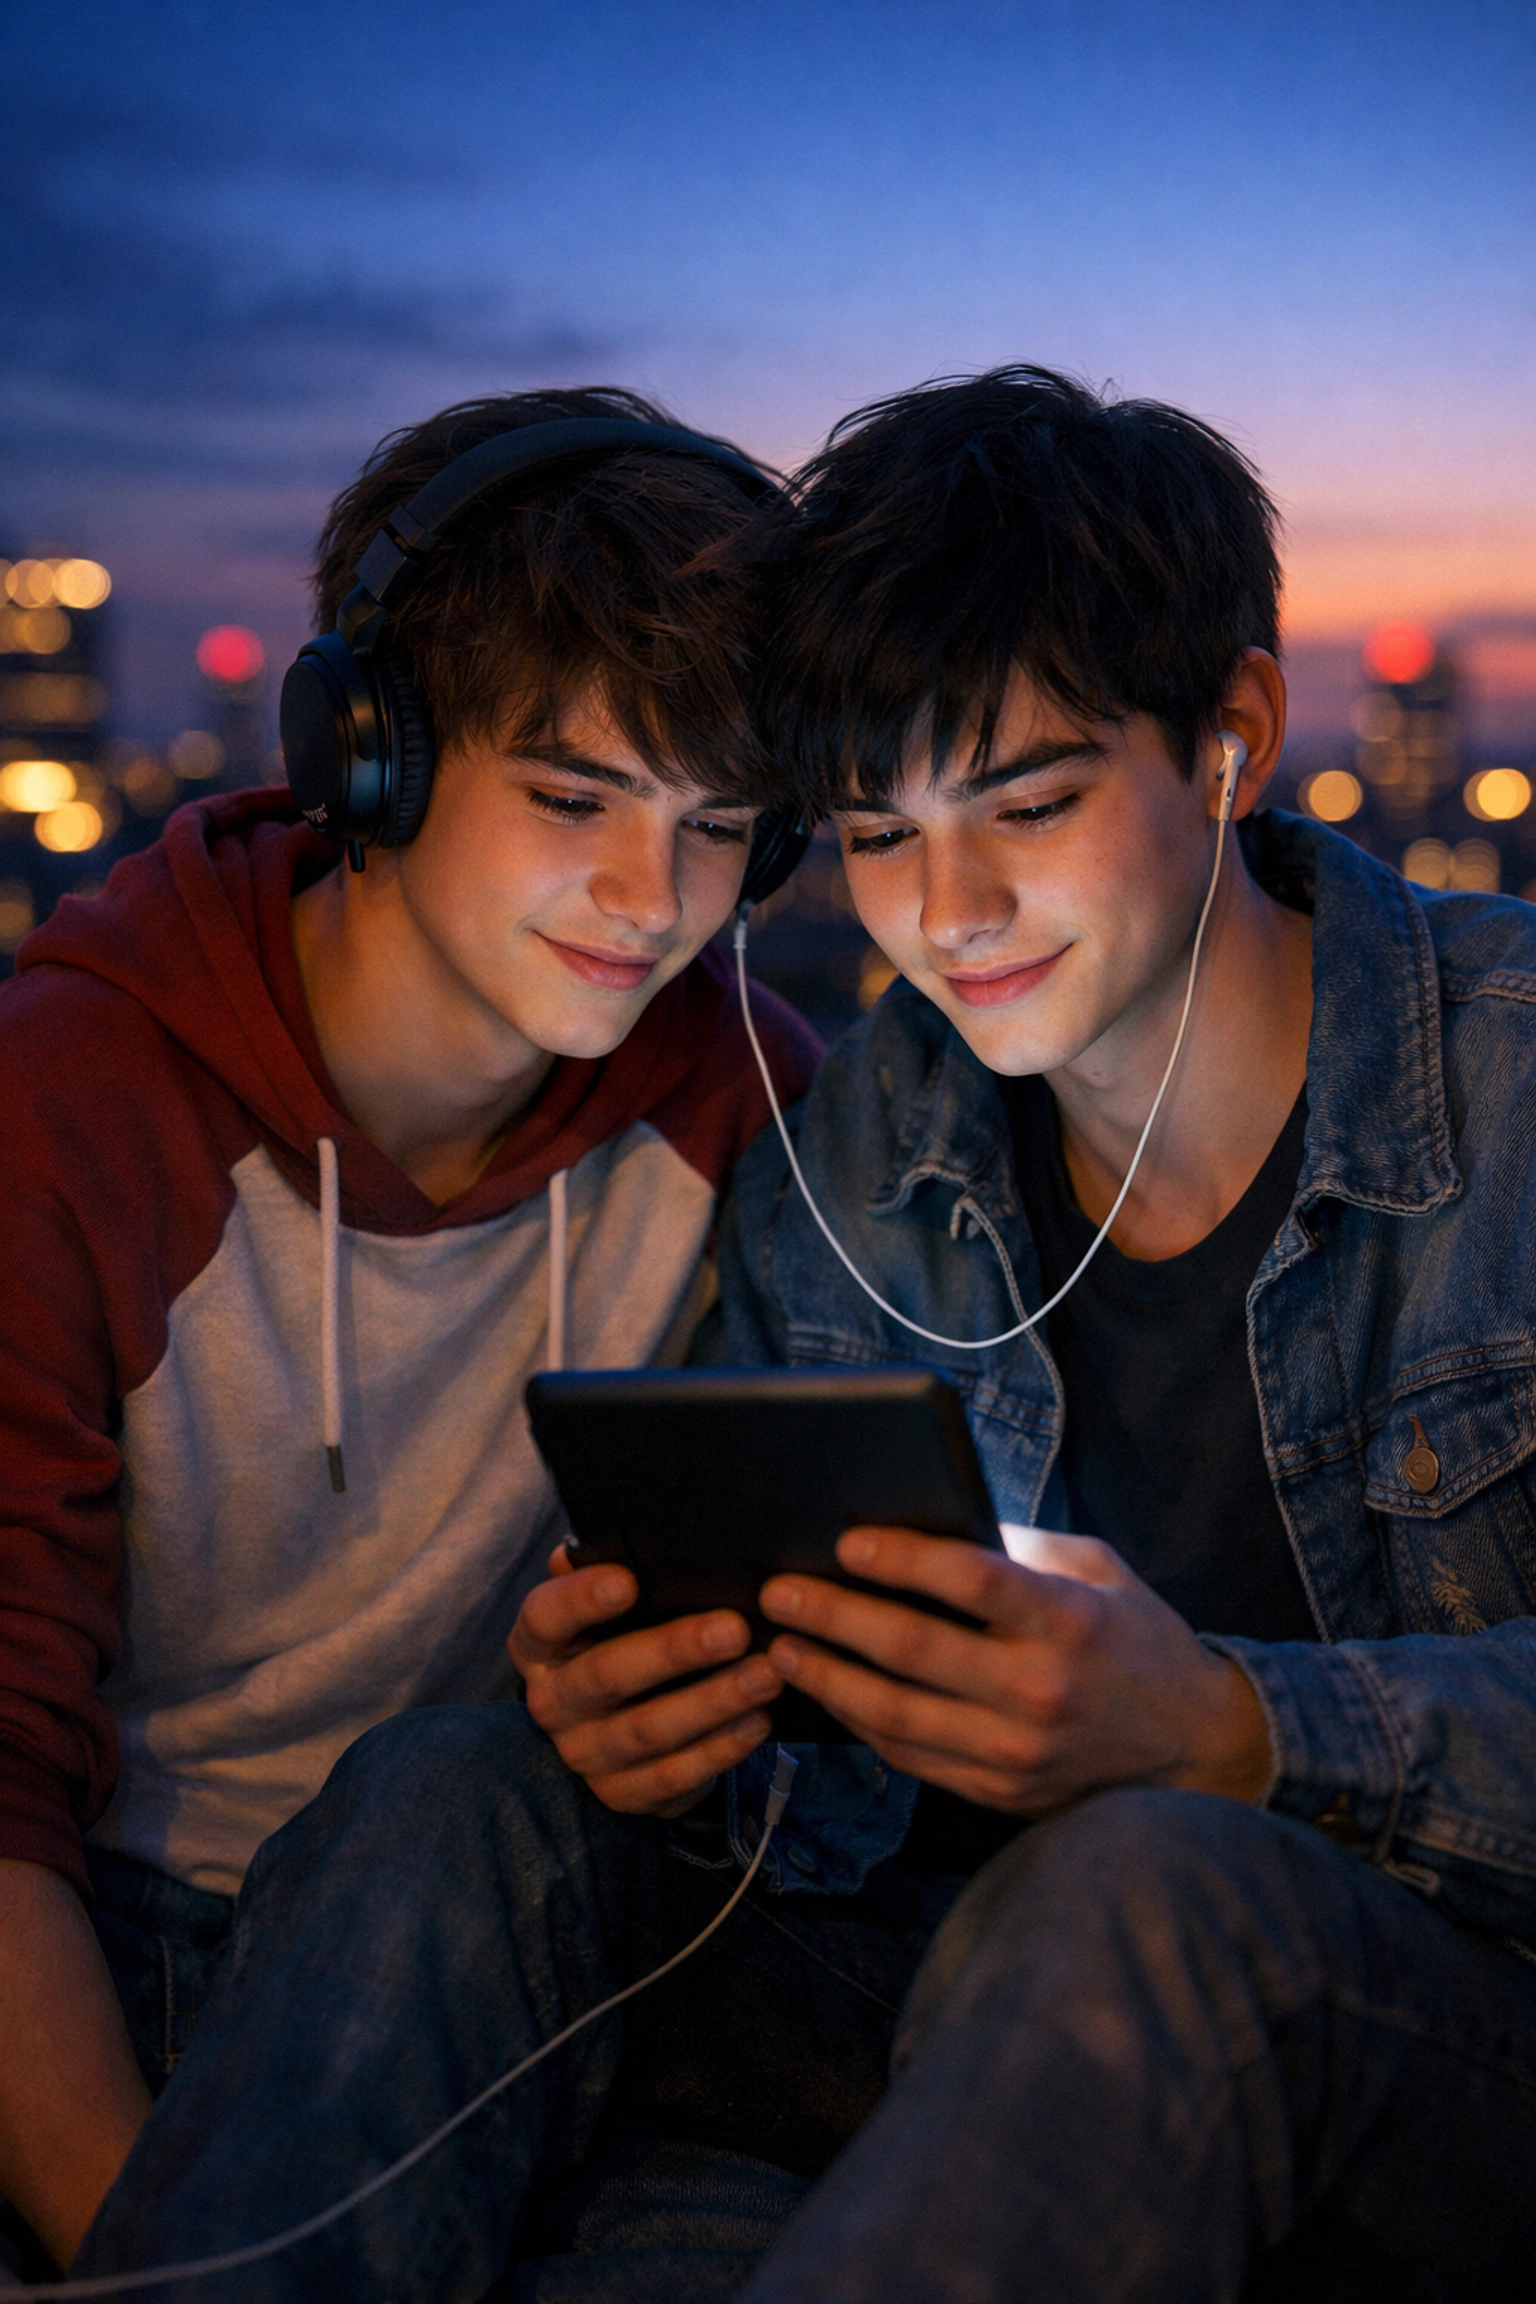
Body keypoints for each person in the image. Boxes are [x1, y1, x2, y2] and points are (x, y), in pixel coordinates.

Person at [76, 369, 1536, 2302]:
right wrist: (664, 1714)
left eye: (1029, 804)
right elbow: (777, 1777)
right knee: (456, 1786)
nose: (950, 914)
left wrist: (1240, 1735)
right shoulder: (857, 1154)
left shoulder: (1505, 1080)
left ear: (1232, 737)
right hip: (961, 2015)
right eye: (871, 831)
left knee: (1145, 1883)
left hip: (1438, 2044)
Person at [0, 386, 818, 2275]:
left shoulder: (757, 1105)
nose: (650, 899)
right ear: (366, 754)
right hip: (115, 1943)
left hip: (507, 1937)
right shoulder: (72, 1100)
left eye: (717, 829)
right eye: (572, 796)